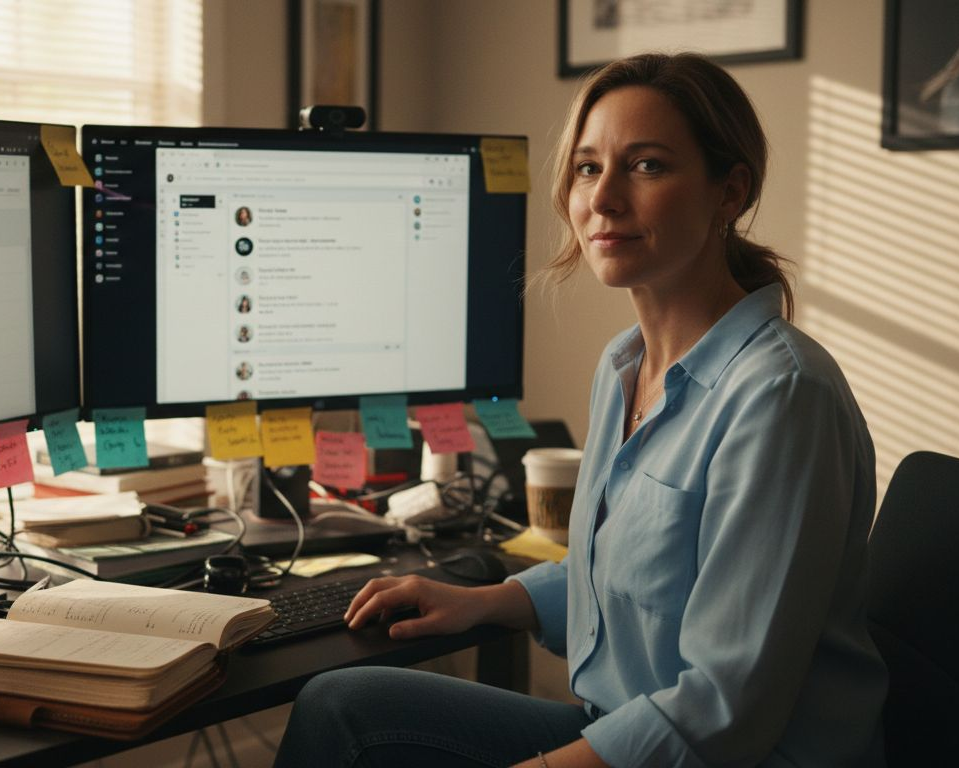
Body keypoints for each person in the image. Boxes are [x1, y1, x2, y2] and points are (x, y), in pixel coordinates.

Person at [273, 52, 886, 768]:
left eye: (648, 166)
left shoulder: (781, 398)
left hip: (735, 756)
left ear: (729, 192)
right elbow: (630, 571)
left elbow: (724, 707)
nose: (604, 199)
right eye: (589, 168)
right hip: (623, 724)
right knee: (339, 704)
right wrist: (488, 599)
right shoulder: (624, 366)